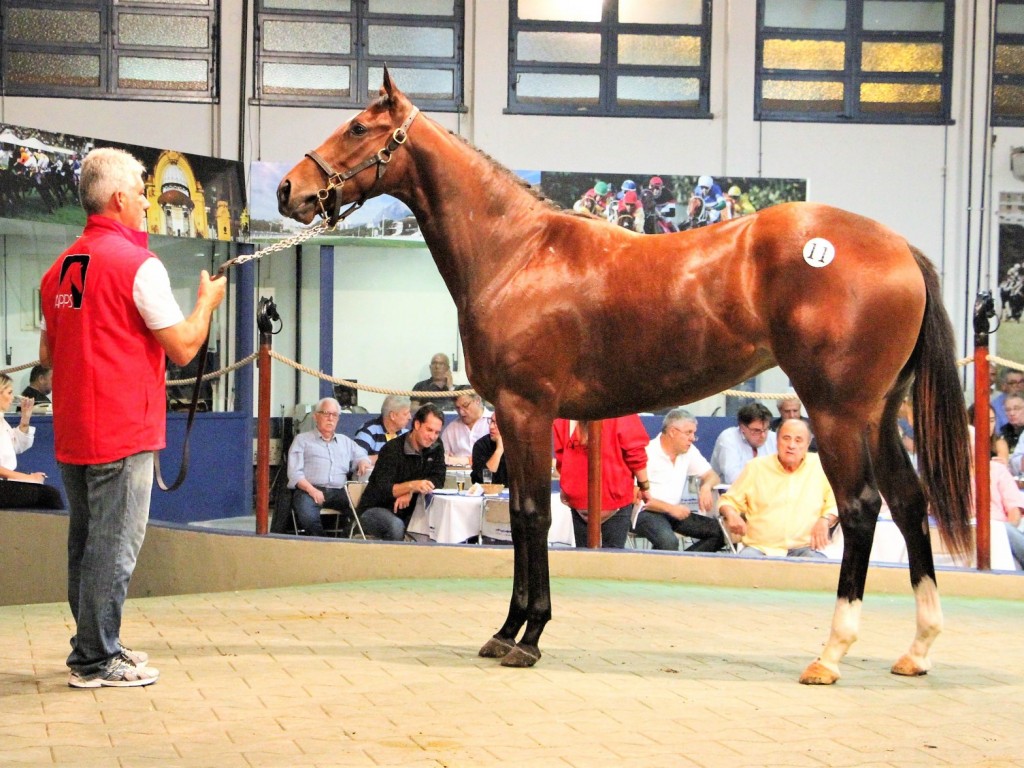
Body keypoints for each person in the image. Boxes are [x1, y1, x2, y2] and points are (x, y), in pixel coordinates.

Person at [39, 146, 226, 688]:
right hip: (122, 429)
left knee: (88, 542)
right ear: (118, 198)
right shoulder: (139, 266)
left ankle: (96, 643)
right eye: (142, 191)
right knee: (114, 548)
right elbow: (185, 348)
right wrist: (207, 303)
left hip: (75, 429)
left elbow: (51, 355)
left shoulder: (60, 268)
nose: (146, 201)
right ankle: (96, 661)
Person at [719, 419, 837, 558]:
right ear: (777, 440)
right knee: (743, 566)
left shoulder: (821, 466)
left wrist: (825, 519)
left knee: (822, 569)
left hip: (807, 548)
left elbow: (836, 503)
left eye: (798, 440)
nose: (791, 445)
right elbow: (728, 501)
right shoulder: (756, 467)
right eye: (786, 438)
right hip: (761, 548)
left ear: (808, 444)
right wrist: (732, 515)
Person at [632, 408, 725, 552]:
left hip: (674, 511)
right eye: (688, 433)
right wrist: (671, 509)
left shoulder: (689, 451)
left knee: (720, 532)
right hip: (646, 512)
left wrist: (706, 487)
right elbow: (636, 495)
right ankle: (666, 570)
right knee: (668, 541)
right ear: (672, 432)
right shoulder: (647, 452)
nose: (692, 438)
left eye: (694, 433)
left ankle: (683, 566)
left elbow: (712, 475)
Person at [553, 415, 651, 549]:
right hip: (614, 496)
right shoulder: (621, 410)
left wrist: (566, 486)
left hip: (579, 499)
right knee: (611, 562)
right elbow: (635, 453)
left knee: (585, 559)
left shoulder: (565, 415)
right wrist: (644, 486)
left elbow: (561, 456)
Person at [356, 403, 447, 541]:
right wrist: (411, 486)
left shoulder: (436, 446)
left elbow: (438, 479)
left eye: (437, 432)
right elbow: (383, 489)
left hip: (413, 508)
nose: (433, 436)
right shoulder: (392, 449)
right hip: (376, 508)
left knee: (442, 522)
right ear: (417, 425)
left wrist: (410, 492)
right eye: (429, 430)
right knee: (396, 526)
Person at [287, 397, 372, 537]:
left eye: (334, 415)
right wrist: (312, 490)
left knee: (363, 509)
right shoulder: (302, 440)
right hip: (309, 490)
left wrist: (363, 461)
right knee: (308, 517)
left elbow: (362, 455)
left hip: (340, 490)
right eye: (326, 414)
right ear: (316, 416)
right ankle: (323, 545)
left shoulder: (345, 441)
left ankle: (344, 542)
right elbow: (295, 473)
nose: (330, 418)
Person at [0, 374, 63, 509]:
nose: (12, 398)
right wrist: (27, 478)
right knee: (50, 496)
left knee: (49, 495)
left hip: (5, 483)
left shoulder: (2, 422)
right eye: (9, 393)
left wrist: (25, 419)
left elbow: (14, 446)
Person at [710, 402, 778, 484]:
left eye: (766, 429)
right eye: (756, 430)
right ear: (742, 428)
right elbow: (733, 479)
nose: (763, 435)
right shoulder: (728, 438)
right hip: (728, 494)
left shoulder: (773, 438)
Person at [353, 394, 412, 462]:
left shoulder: (406, 434)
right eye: (405, 414)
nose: (410, 417)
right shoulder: (368, 430)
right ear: (392, 416)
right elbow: (356, 459)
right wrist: (387, 457)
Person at [441, 390, 491, 466]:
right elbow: (440, 458)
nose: (461, 412)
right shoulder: (451, 429)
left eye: (465, 406)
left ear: (477, 400)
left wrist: (455, 460)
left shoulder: (494, 422)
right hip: (458, 476)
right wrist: (467, 460)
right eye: (457, 408)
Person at [471, 413, 507, 486]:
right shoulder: (481, 445)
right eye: (491, 421)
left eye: (496, 423)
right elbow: (482, 480)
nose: (491, 427)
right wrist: (499, 450)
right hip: (487, 494)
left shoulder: (519, 447)